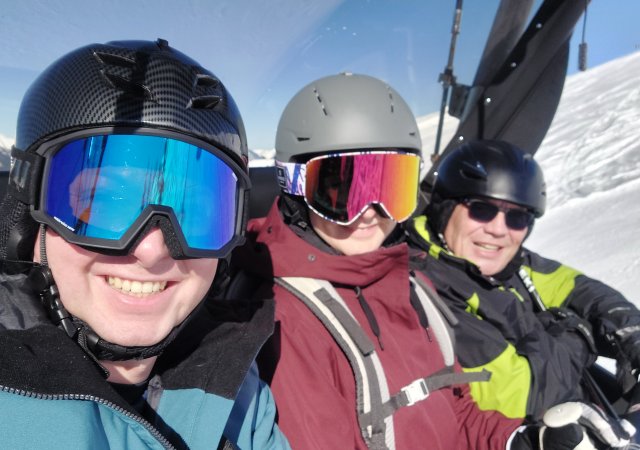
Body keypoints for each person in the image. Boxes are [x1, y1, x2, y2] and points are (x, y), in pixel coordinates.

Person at [227, 73, 632, 450]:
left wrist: (520, 440)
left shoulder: (408, 285)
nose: (370, 213)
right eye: (341, 191)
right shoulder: (282, 321)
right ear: (295, 186)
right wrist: (578, 340)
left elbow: (454, 407)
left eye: (390, 187)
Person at [0, 38, 289, 449]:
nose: (152, 251)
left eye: (194, 213)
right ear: (30, 218)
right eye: (104, 202)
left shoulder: (242, 394)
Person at [406, 139, 640, 423]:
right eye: (481, 209)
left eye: (517, 217)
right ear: (445, 207)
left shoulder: (505, 261)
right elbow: (519, 395)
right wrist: (578, 338)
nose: (498, 230)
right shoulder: (419, 285)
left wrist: (630, 333)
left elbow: (574, 287)